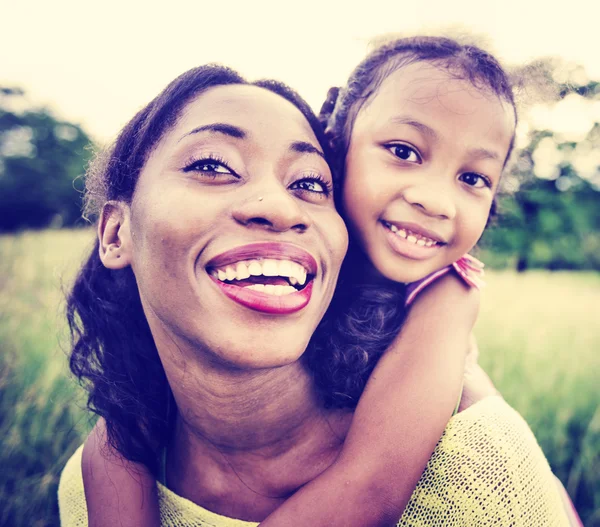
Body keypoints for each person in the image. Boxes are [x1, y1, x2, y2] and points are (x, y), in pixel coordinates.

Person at [58, 39, 574, 527]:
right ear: (339, 149)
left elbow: (370, 485)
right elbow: (123, 423)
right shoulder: (108, 454)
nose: (435, 200)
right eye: (403, 150)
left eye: (474, 178)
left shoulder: (448, 295)